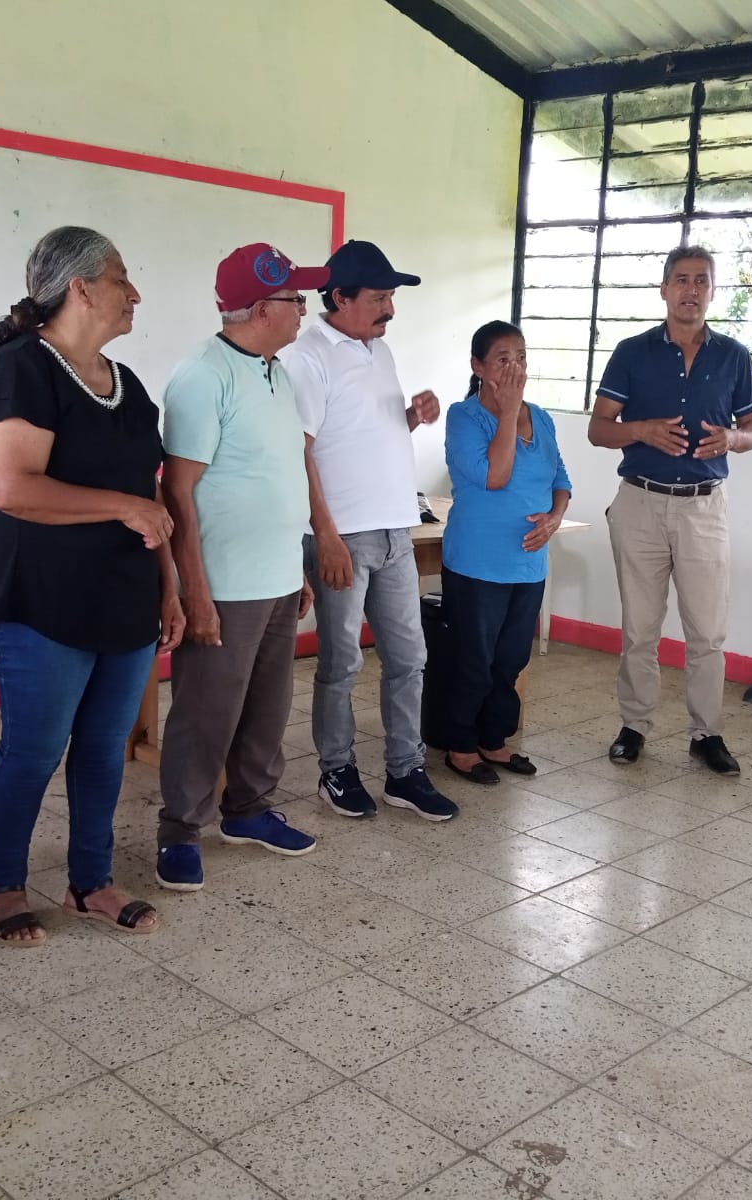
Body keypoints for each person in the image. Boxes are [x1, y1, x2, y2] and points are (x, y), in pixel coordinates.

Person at [0, 225, 182, 945]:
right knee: (33, 749)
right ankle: (4, 885)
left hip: (125, 597)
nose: (134, 292)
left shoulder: (127, 384)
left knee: (105, 747)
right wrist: (121, 508)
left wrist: (169, 587)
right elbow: (9, 487)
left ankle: (91, 882)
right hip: (41, 602)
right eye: (120, 278)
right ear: (80, 288)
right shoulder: (23, 369)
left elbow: (149, 495)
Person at [153, 244, 325, 890]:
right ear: (260, 308)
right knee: (206, 713)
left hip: (277, 576)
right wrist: (194, 591)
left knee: (267, 708)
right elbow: (178, 491)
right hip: (224, 585)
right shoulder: (203, 376)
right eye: (295, 299)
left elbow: (276, 473)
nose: (303, 309)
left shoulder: (276, 372)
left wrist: (295, 566)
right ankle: (179, 830)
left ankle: (249, 809)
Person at [280, 240, 458, 821]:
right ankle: (336, 768)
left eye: (390, 297)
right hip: (343, 537)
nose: (390, 309)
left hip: (395, 530)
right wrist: (325, 534)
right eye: (380, 298)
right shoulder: (307, 357)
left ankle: (406, 772)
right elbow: (300, 453)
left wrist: (412, 417)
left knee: (409, 657)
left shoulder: (379, 350)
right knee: (342, 663)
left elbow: (366, 435)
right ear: (340, 297)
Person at [587, 244, 752, 775]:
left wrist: (733, 439)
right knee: (639, 629)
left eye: (702, 280)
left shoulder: (733, 356)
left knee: (707, 632)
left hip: (703, 508)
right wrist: (642, 430)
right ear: (664, 289)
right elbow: (598, 430)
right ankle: (634, 726)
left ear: (712, 291)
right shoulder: (632, 352)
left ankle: (707, 734)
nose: (692, 289)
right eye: (682, 280)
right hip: (639, 502)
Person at [439, 320, 571, 785]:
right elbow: (494, 476)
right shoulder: (464, 417)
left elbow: (561, 479)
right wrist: (510, 411)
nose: (515, 368)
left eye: (521, 358)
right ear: (478, 367)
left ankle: (493, 739)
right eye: (502, 360)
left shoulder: (543, 417)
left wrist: (554, 519)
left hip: (528, 564)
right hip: (477, 563)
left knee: (511, 659)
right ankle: (459, 745)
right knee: (473, 660)